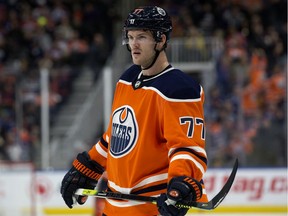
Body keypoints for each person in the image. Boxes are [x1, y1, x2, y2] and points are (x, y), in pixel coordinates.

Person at [60, 6, 208, 216]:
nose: (134, 44)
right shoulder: (127, 78)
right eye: (130, 37)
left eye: (142, 37)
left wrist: (181, 183)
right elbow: (114, 136)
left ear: (161, 40)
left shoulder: (179, 88)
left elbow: (187, 149)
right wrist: (88, 166)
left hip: (151, 208)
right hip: (113, 207)